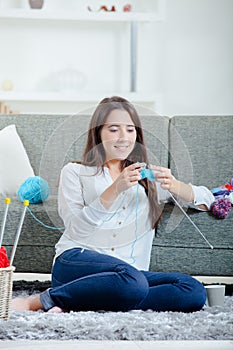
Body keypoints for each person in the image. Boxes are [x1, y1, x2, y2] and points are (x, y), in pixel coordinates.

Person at [12, 96, 215, 313]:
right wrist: (114, 189)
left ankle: (80, 300)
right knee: (132, 282)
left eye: (130, 129)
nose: (123, 137)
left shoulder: (148, 178)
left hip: (129, 277)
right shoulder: (75, 172)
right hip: (77, 262)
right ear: (98, 132)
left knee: (193, 290)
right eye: (113, 129)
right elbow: (76, 228)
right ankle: (39, 301)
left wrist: (175, 185)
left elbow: (208, 200)